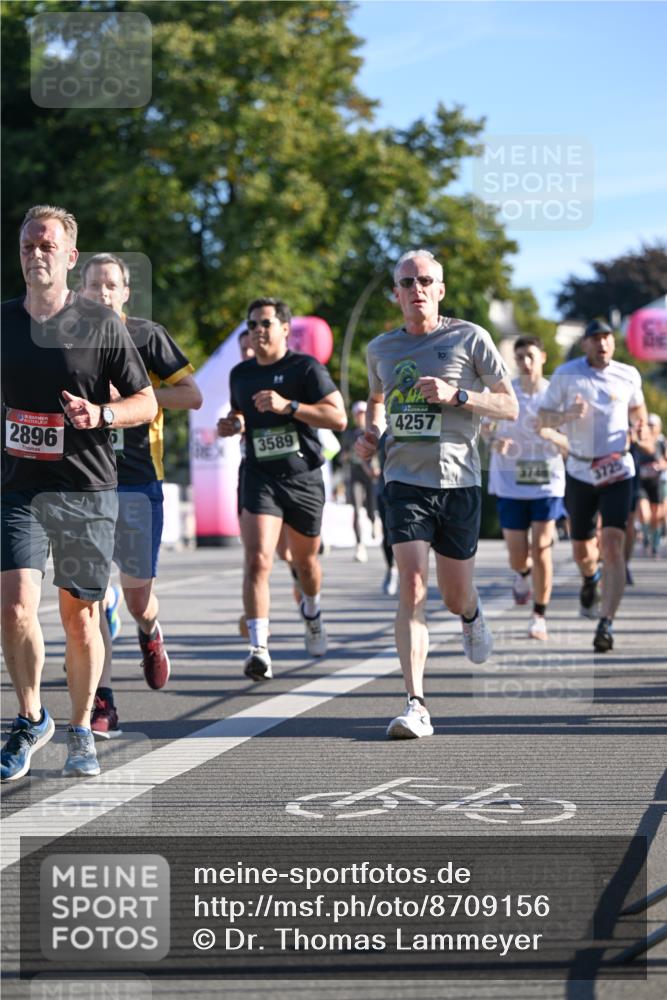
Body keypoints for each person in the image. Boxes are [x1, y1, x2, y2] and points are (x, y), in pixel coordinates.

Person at [1, 206, 156, 780]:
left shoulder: (99, 323)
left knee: (79, 616)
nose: (35, 254)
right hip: (19, 486)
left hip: (86, 487)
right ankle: (30, 716)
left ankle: (82, 727)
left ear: (70, 257)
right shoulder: (4, 322)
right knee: (15, 606)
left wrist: (102, 413)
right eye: (26, 246)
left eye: (47, 246)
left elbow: (148, 402)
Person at [357, 249, 518, 739]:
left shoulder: (470, 337)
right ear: (396, 292)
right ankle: (416, 703)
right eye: (407, 282)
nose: (417, 288)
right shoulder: (380, 349)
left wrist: (459, 396)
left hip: (459, 482)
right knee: (411, 584)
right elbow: (377, 399)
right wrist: (370, 433)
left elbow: (510, 405)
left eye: (425, 280)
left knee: (452, 595)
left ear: (440, 289)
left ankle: (470, 613)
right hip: (404, 481)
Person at [78, 252, 202, 738]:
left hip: (136, 481)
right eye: (94, 285)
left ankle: (150, 633)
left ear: (126, 292)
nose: (103, 293)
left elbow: (191, 395)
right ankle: (102, 699)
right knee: (86, 596)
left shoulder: (147, 336)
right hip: (84, 481)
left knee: (137, 600)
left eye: (111, 285)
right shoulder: (69, 338)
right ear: (81, 291)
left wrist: (131, 401)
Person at [218, 297, 346, 681]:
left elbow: (337, 417)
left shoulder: (305, 368)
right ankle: (258, 648)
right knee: (258, 559)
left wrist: (288, 406)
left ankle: (312, 611)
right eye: (252, 324)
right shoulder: (240, 374)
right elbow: (240, 413)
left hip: (303, 477)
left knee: (305, 563)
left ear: (285, 329)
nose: (258, 331)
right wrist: (233, 424)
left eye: (265, 324)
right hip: (260, 476)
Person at [539, 319, 647, 652]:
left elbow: (640, 415)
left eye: (607, 339)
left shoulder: (628, 374)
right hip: (581, 470)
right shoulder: (566, 374)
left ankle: (606, 622)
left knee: (613, 545)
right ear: (585, 344)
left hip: (617, 468)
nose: (602, 344)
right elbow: (543, 419)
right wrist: (567, 415)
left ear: (614, 343)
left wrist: (642, 432)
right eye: (595, 339)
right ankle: (590, 579)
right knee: (583, 550)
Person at [485, 336, 568, 640]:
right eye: (520, 357)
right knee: (518, 556)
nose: (526, 363)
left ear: (543, 357)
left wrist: (552, 436)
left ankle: (539, 615)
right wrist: (495, 442)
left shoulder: (555, 396)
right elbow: (486, 432)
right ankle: (522, 575)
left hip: (547, 483)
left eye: (531, 356)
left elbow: (571, 443)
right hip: (510, 483)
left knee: (542, 548)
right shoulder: (505, 394)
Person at [341, 400, 379, 563]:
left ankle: (374, 521)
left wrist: (376, 467)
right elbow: (342, 455)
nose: (361, 417)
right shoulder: (349, 434)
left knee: (371, 508)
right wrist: (348, 454)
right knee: (356, 509)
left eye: (363, 414)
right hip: (355, 474)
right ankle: (359, 546)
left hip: (371, 475)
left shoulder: (373, 431)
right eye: (358, 414)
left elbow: (380, 452)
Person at [635, 413, 666, 558]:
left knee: (657, 516)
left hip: (657, 482)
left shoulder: (662, 442)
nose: (651, 427)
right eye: (650, 425)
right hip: (642, 483)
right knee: (644, 513)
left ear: (659, 427)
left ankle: (654, 542)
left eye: (654, 425)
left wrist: (661, 465)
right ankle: (646, 537)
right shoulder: (640, 440)